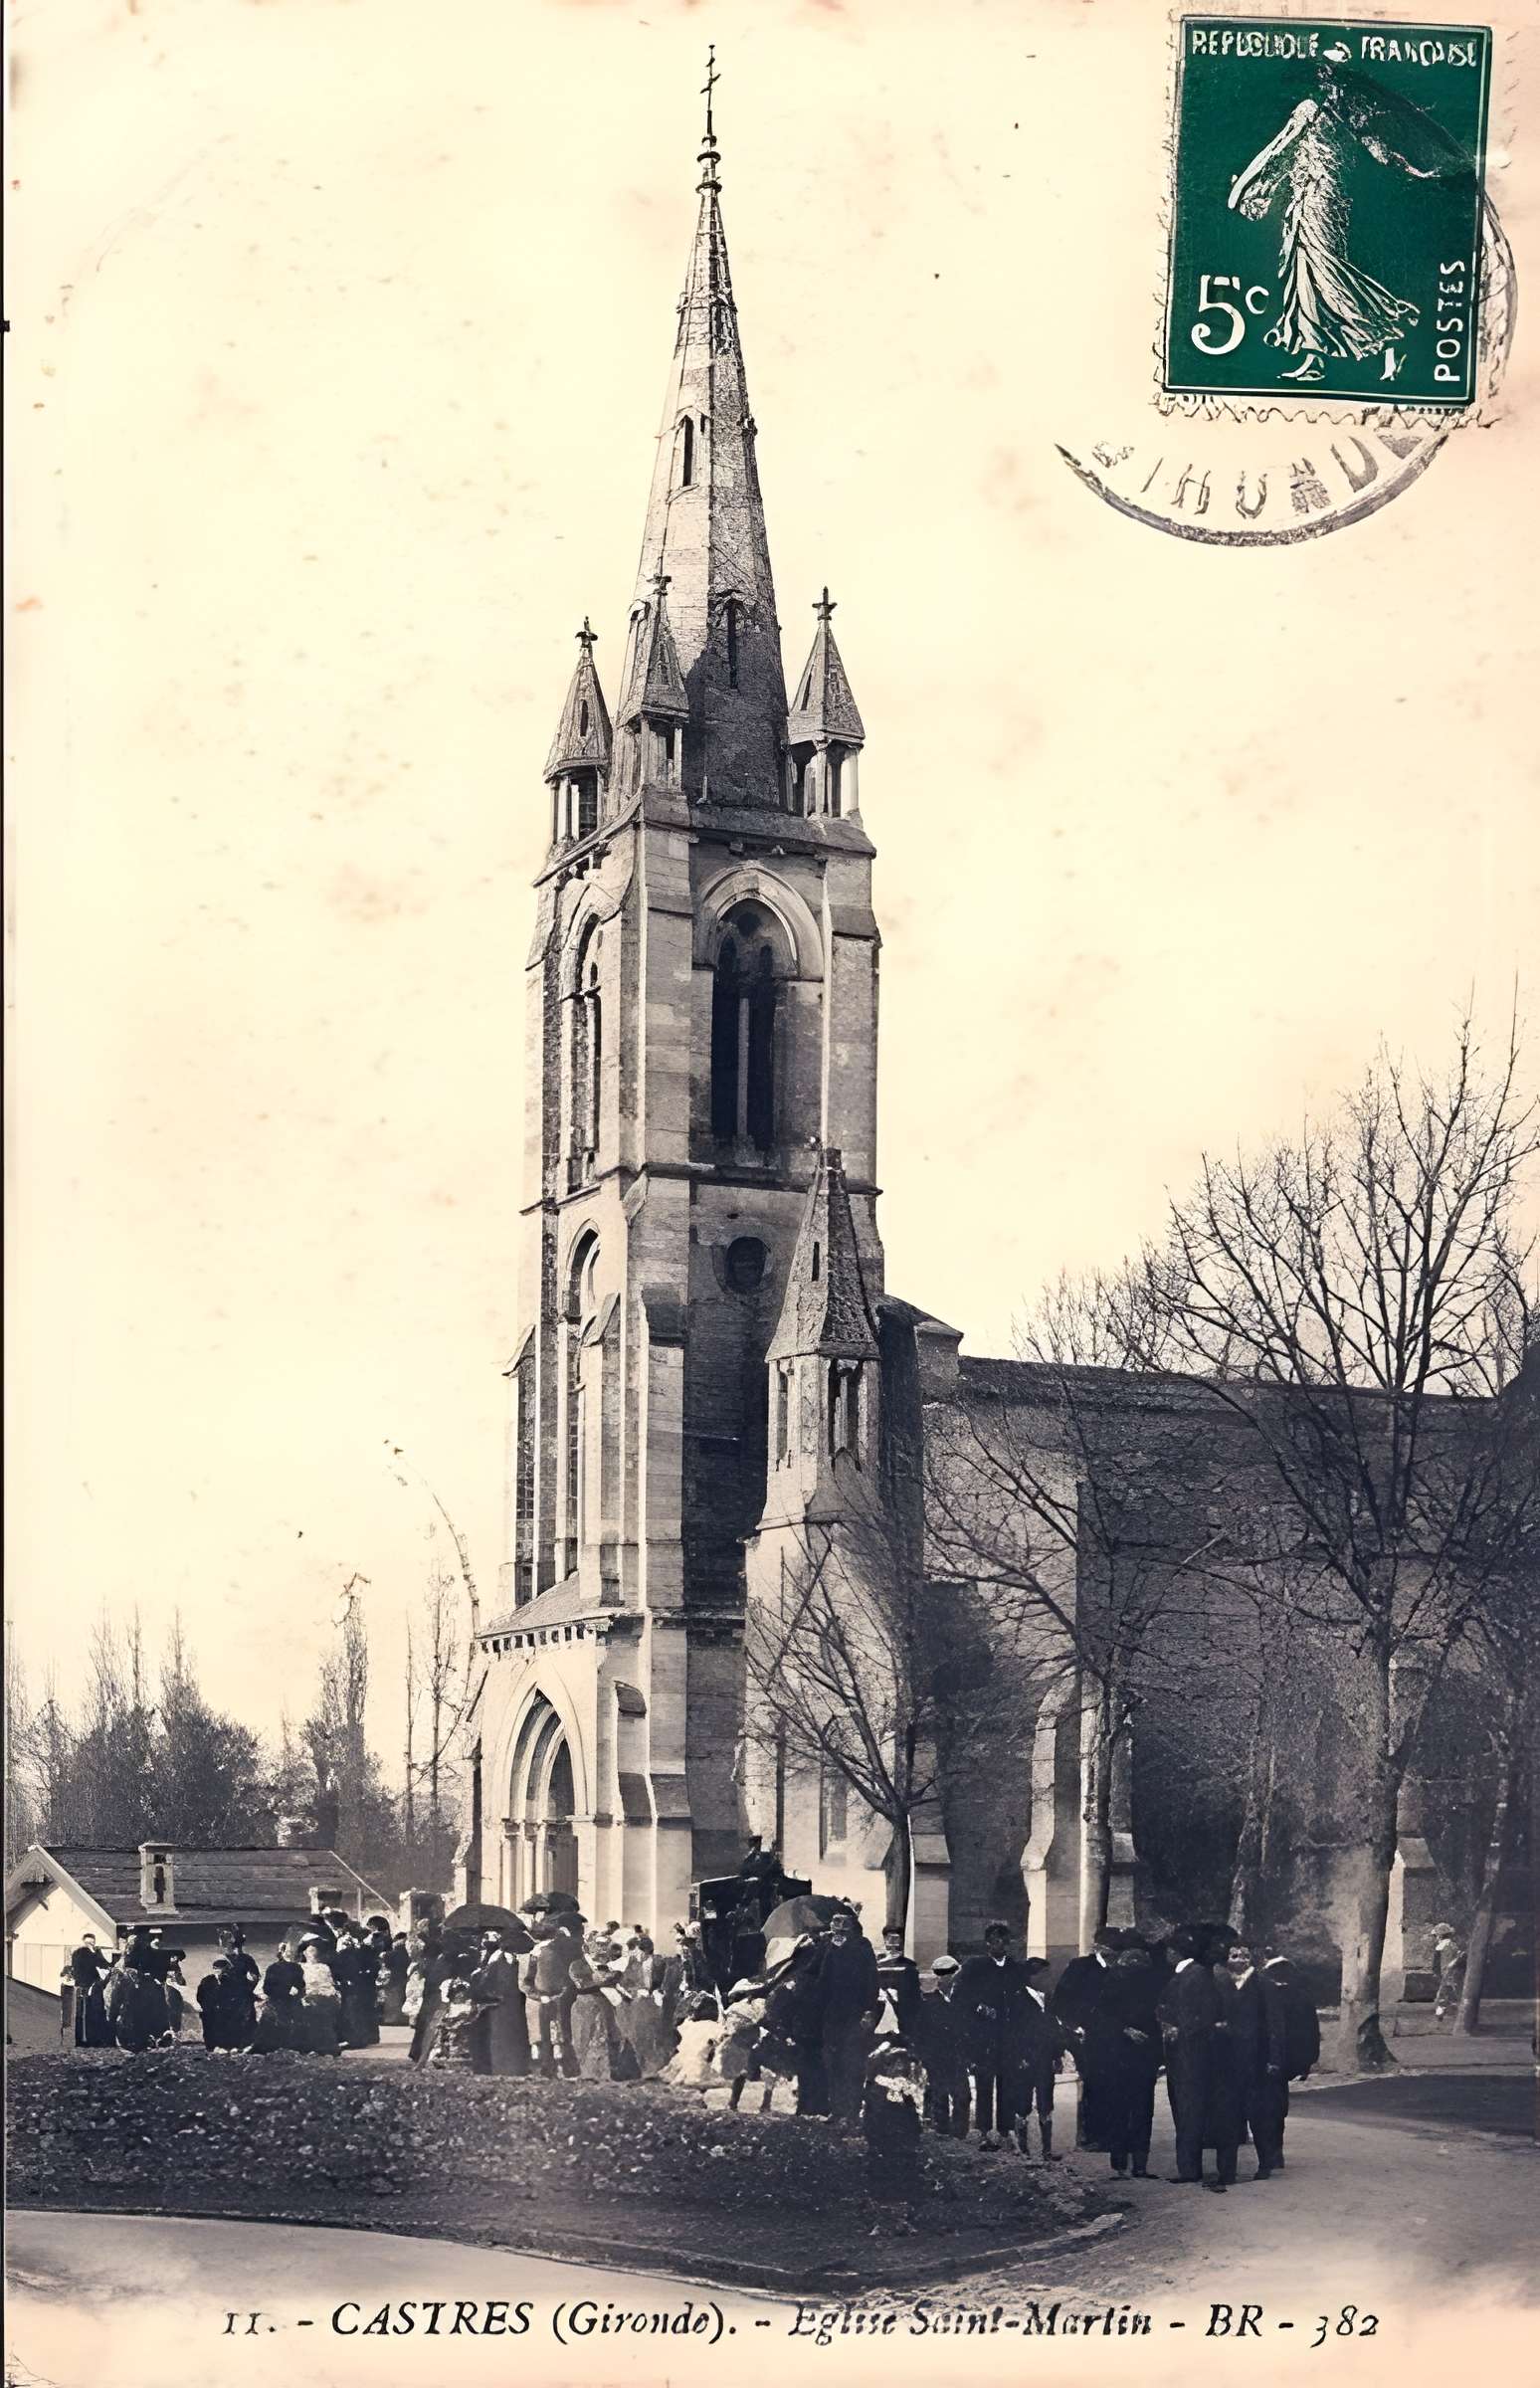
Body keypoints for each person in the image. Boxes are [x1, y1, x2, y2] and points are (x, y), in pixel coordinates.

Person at [958, 1921, 1037, 2149]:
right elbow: (961, 1997)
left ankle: (1004, 2130)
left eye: (1004, 1941)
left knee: (1008, 2084)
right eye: (995, 1941)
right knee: (984, 2084)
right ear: (987, 1943)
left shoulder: (1016, 1969)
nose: (1000, 1945)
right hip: (984, 2036)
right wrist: (979, 2007)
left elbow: (1023, 2000)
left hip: (1009, 2036)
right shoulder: (975, 1967)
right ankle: (983, 2131)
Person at [1158, 1925, 1224, 2188]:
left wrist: (1179, 2030)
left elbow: (1206, 2015)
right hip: (1182, 2053)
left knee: (1189, 2110)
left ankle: (1189, 2168)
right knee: (1185, 2109)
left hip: (1191, 2054)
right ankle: (1187, 2166)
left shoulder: (1194, 1975)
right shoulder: (1185, 1974)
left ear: (1175, 1952)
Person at [1052, 1925, 1120, 2151]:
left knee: (1112, 2084)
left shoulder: (1119, 1968)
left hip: (1113, 2036)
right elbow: (1062, 2000)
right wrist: (1075, 2026)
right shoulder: (1080, 1967)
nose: (1114, 1955)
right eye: (1110, 1950)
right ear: (1098, 1947)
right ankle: (1089, 2135)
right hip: (1086, 2035)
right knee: (1091, 2084)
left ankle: (1111, 2134)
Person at [1227, 1939, 1287, 2179]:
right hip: (1230, 2060)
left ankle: (1265, 2162)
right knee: (1230, 2114)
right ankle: (1228, 2170)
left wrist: (1274, 2057)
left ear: (1252, 1959)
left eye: (1244, 1956)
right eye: (1234, 1956)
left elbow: (1275, 2025)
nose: (1240, 1960)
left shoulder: (1264, 1985)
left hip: (1258, 2059)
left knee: (1259, 2114)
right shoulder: (1222, 1984)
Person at [1101, 1939, 1162, 2178]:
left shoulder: (1145, 1988)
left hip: (1138, 2056)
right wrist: (1125, 2030)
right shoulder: (1113, 1987)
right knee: (1128, 2109)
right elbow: (1103, 2019)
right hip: (1122, 2055)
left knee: (1137, 2110)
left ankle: (1134, 2164)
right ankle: (1125, 2164)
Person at [818, 1907, 879, 2126]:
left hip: (855, 2013)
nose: (838, 1928)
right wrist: (831, 1950)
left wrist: (868, 2011)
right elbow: (823, 1978)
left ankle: (852, 2112)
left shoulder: (863, 1948)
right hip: (833, 2014)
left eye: (843, 1924)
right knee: (833, 2061)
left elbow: (871, 1980)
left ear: (852, 1927)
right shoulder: (830, 1948)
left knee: (852, 2062)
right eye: (835, 1923)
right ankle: (836, 2109)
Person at [862, 2035, 926, 2217]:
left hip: (902, 2143)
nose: (900, 2068)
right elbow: (872, 2119)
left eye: (903, 2064)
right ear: (887, 2066)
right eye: (896, 2064)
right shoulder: (877, 2089)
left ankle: (903, 2209)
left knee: (904, 2172)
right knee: (883, 2172)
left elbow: (913, 2117)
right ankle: (881, 2209)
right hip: (884, 2141)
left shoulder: (906, 2091)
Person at [1264, 1952, 1320, 2166]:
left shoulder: (1265, 1996)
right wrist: (1306, 2063)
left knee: (1266, 2105)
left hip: (1267, 2058)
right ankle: (1275, 2150)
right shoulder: (1302, 1997)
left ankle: (1270, 2151)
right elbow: (1311, 2033)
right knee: (1277, 2106)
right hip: (1287, 2061)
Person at [1013, 1955, 1062, 2162]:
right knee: (1022, 2104)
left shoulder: (1049, 1998)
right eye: (1044, 1974)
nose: (1048, 1978)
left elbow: (1054, 2030)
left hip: (1045, 2059)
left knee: (1046, 2103)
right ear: (1032, 1977)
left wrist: (1057, 2055)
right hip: (1025, 2060)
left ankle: (1046, 2150)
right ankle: (1023, 2150)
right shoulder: (1017, 1999)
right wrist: (1019, 2057)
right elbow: (1012, 2033)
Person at [525, 1906, 584, 2078]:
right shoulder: (544, 1952)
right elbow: (529, 1982)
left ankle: (554, 2069)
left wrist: (540, 1995)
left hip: (552, 1997)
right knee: (561, 2034)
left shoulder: (542, 1953)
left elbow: (528, 1982)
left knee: (555, 2035)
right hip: (558, 1997)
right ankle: (563, 2069)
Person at [469, 1925, 533, 2078]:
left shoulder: (516, 1962)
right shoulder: (498, 1962)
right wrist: (495, 1996)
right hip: (501, 2006)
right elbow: (487, 1984)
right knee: (502, 2037)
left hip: (516, 2006)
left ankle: (517, 2068)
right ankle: (503, 2068)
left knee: (515, 2037)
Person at [918, 1954, 971, 2139]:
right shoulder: (928, 2001)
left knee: (962, 2094)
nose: (944, 1978)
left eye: (948, 1974)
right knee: (939, 2091)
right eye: (940, 1974)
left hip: (958, 2053)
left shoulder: (963, 1997)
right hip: (937, 2054)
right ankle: (942, 2128)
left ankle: (959, 2132)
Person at [875, 1925, 923, 2039]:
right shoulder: (877, 1964)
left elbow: (914, 1993)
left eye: (896, 1938)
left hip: (902, 2009)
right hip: (881, 2008)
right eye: (888, 1938)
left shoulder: (909, 1965)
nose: (892, 1942)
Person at [298, 1935, 343, 2057]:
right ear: (305, 1953)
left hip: (322, 1997)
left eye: (315, 1950)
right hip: (306, 1997)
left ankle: (325, 2047)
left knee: (323, 2020)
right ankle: (308, 2047)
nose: (313, 1953)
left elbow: (328, 1984)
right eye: (310, 1950)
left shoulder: (324, 1967)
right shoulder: (301, 1967)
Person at [69, 1935, 113, 2050]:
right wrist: (94, 1953)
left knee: (89, 2014)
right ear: (83, 1942)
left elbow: (105, 1965)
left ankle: (88, 2040)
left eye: (92, 1943)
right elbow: (101, 1965)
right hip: (86, 1986)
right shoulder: (80, 1954)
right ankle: (86, 2040)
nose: (90, 1945)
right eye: (88, 1943)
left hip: (88, 1987)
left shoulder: (91, 1953)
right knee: (85, 2014)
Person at [258, 1946, 306, 2051]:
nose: (289, 1953)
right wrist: (286, 1990)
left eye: (291, 1951)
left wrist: (297, 1989)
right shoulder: (273, 1968)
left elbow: (301, 1985)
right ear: (282, 1952)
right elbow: (267, 1988)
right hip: (277, 2002)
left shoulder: (297, 1968)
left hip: (293, 2002)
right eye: (287, 1951)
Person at [196, 1957, 243, 2052]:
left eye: (220, 1969)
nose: (217, 1971)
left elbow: (234, 1996)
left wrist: (227, 2006)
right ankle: (210, 2048)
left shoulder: (230, 1981)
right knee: (209, 2030)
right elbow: (200, 1996)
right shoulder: (206, 1981)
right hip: (209, 2011)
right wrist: (206, 2006)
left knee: (223, 2029)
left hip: (224, 2011)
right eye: (215, 1968)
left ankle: (223, 2046)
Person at [1432, 1923, 1465, 2022]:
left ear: (1440, 1936)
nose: (1436, 1938)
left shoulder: (1439, 1947)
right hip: (1455, 1973)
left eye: (1436, 1936)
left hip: (1445, 1973)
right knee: (1454, 1992)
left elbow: (1436, 1965)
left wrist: (1436, 1974)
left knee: (1442, 1994)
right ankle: (1455, 2010)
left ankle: (1441, 2011)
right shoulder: (1454, 1945)